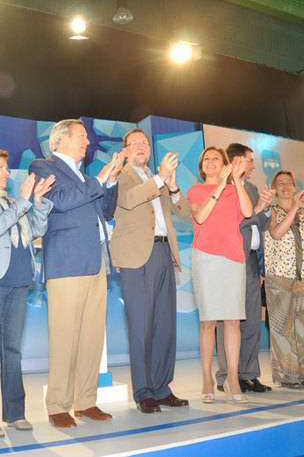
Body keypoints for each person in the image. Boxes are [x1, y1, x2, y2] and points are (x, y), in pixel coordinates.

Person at [28, 119, 122, 427]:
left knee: (92, 337)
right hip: (67, 263)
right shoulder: (43, 166)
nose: (88, 142)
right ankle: (57, 405)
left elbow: (105, 211)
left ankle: (86, 402)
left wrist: (109, 183)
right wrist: (99, 179)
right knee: (64, 337)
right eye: (82, 136)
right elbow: (62, 202)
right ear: (61, 139)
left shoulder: (84, 174)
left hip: (96, 261)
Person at [0, 149, 55, 437]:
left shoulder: (12, 201)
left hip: (17, 282)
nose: (6, 173)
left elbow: (38, 229)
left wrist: (37, 202)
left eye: (6, 167)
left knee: (13, 351)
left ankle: (15, 413)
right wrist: (24, 201)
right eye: (0, 168)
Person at [110, 129, 190, 414]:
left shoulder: (158, 180)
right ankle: (143, 390)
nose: (141, 147)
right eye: (135, 144)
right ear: (126, 151)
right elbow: (129, 200)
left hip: (163, 252)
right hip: (136, 257)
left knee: (165, 325)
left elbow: (182, 211)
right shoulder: (120, 175)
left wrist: (173, 185)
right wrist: (159, 178)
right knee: (141, 327)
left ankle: (161, 387)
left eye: (145, 143)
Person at [187, 146, 252, 403]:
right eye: (206, 159)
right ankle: (206, 378)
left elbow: (248, 213)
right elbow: (201, 216)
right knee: (208, 322)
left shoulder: (235, 190)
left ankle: (233, 378)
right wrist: (220, 186)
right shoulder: (195, 190)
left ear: (225, 164)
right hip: (206, 258)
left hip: (233, 258)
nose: (211, 162)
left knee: (233, 321)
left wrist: (236, 180)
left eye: (216, 158)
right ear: (201, 166)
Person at [215, 143, 275, 394]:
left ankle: (248, 374)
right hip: (228, 260)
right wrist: (257, 210)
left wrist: (266, 208)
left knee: (251, 321)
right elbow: (231, 223)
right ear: (237, 160)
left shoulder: (250, 187)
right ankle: (226, 375)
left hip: (250, 260)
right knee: (228, 320)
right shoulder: (221, 186)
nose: (253, 166)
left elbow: (258, 223)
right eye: (250, 160)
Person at [263, 170, 304, 388]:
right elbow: (276, 233)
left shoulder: (300, 211)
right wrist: (295, 208)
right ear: (274, 187)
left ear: (294, 186)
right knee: (283, 327)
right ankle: (288, 375)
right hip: (279, 276)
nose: (284, 187)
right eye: (280, 183)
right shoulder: (269, 210)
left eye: (288, 183)